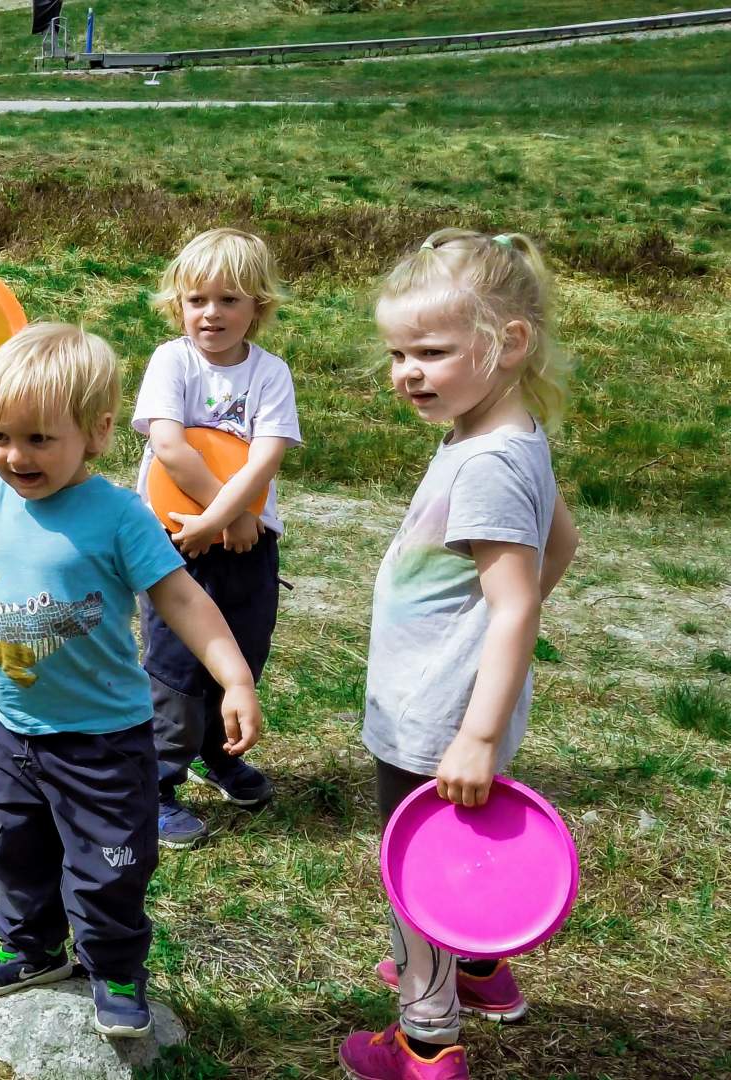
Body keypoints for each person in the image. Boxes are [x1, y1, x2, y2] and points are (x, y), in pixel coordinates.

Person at [0, 321, 265, 1038]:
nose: (16, 456)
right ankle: (31, 949)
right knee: (17, 850)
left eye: (39, 439)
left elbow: (183, 599)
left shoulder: (119, 516)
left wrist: (236, 678)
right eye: (0, 436)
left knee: (108, 866)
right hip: (10, 728)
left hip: (103, 741)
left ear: (94, 433)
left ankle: (116, 967)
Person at [339, 230, 579, 1080]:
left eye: (432, 352)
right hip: (458, 703)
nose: (407, 371)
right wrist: (487, 651)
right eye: (399, 352)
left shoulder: (486, 462)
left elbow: (515, 602)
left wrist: (473, 731)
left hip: (435, 716)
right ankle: (480, 972)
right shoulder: (511, 436)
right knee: (456, 850)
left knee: (418, 874)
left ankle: (426, 1038)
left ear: (508, 343)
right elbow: (564, 543)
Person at [133, 227, 300, 848]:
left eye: (230, 299)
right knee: (176, 663)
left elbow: (264, 459)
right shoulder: (170, 362)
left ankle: (219, 753)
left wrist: (230, 521)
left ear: (258, 306)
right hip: (176, 541)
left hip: (248, 542)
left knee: (242, 649)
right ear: (177, 303)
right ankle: (155, 784)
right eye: (197, 298)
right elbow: (169, 446)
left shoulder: (270, 373)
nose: (212, 313)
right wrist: (216, 516)